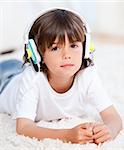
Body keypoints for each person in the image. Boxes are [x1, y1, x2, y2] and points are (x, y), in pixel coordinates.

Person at [0, 8, 122, 144]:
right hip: (6, 81)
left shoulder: (88, 75)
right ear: (37, 54)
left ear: (86, 48)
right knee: (10, 66)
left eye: (74, 45)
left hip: (18, 71)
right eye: (55, 48)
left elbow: (113, 117)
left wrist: (109, 130)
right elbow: (23, 127)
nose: (67, 55)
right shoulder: (33, 78)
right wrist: (67, 135)